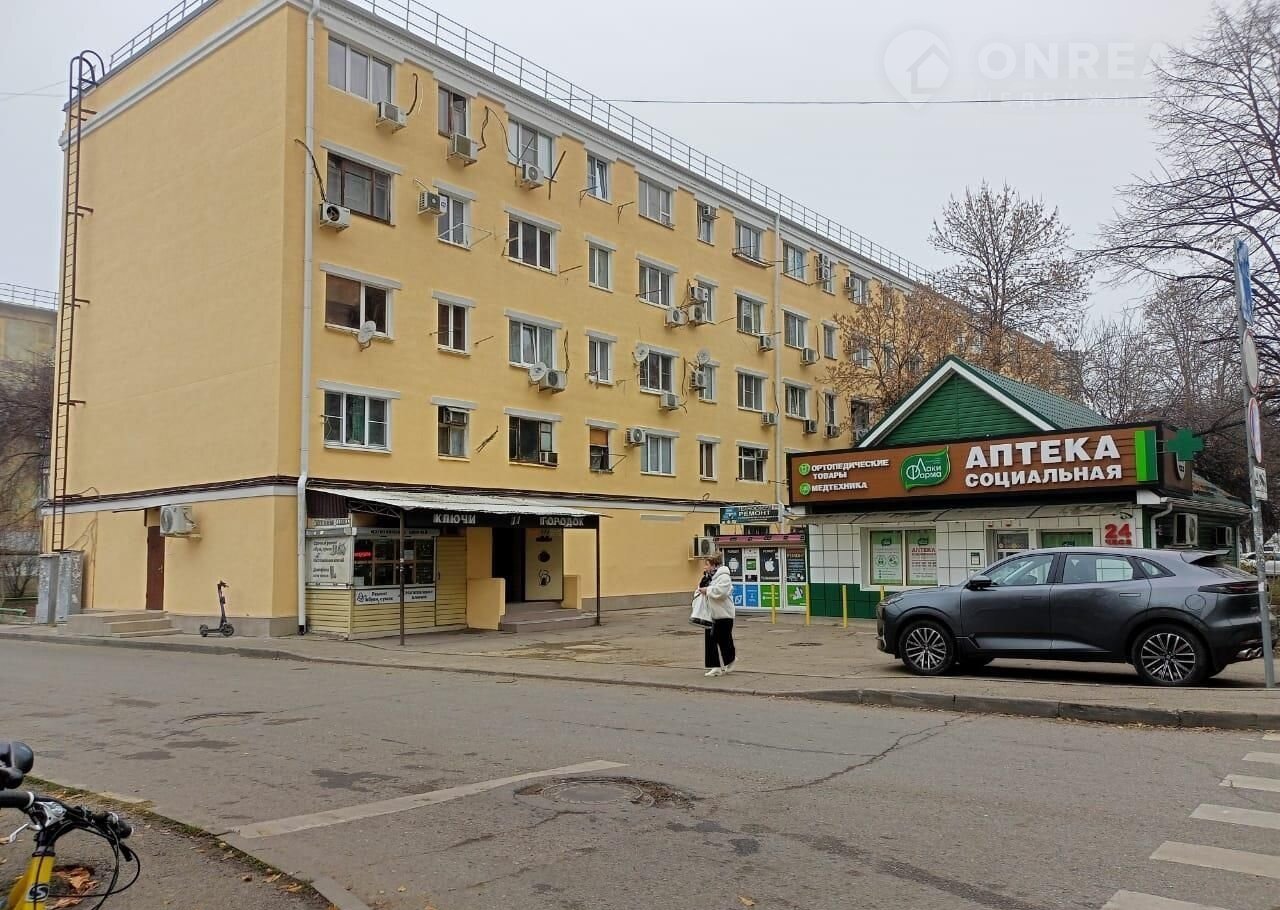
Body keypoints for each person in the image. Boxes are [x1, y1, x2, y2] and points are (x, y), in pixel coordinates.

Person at [698, 552, 736, 677]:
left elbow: (721, 592)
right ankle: (715, 667)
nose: (705, 567)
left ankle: (731, 659)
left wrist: (707, 590)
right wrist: (703, 585)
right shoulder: (709, 577)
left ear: (714, 565)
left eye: (707, 565)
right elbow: (699, 589)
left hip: (724, 614)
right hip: (710, 614)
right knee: (710, 640)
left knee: (724, 640)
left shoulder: (724, 576)